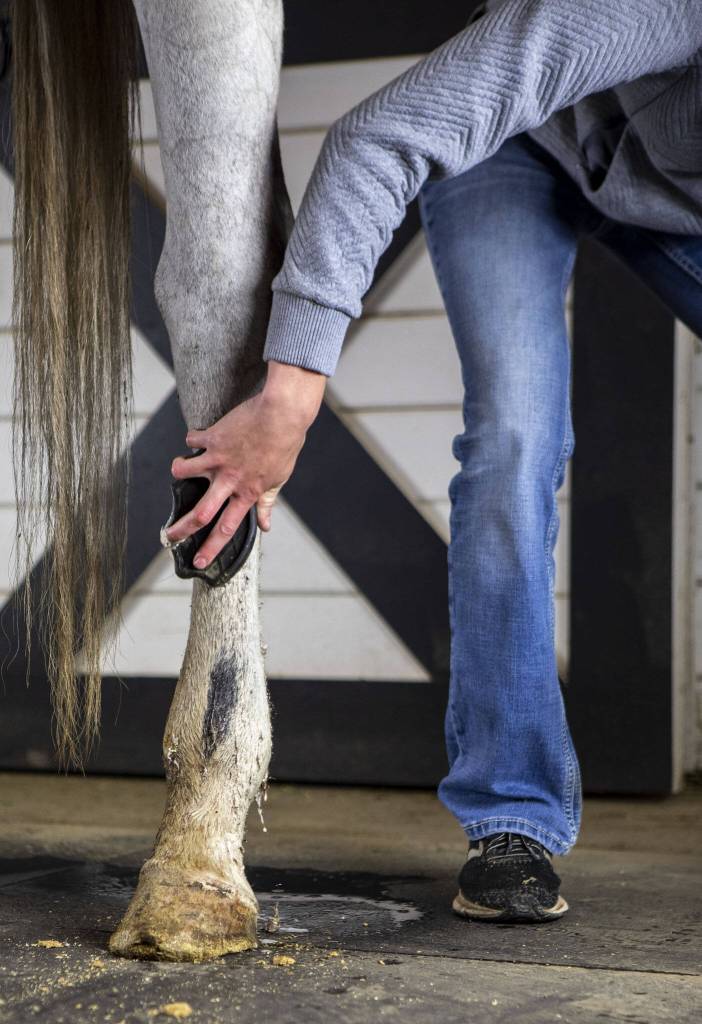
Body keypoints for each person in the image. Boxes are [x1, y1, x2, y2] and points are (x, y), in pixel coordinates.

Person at [164, 0, 702, 921]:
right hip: (516, 144)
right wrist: (289, 402)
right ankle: (513, 816)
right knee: (514, 441)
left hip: (660, 188)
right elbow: (378, 139)